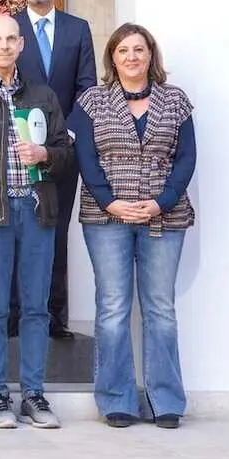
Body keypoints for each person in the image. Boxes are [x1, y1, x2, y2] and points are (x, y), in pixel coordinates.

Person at [69, 23, 195, 430]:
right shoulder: (92, 101)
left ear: (150, 55)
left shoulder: (175, 101)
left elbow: (186, 160)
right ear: (112, 58)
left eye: (139, 50)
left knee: (160, 310)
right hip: (106, 218)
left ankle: (166, 401)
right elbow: (85, 159)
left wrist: (161, 202)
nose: (131, 57)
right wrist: (112, 202)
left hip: (165, 217)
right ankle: (116, 399)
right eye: (123, 51)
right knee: (112, 308)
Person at [0, 14, 72, 430]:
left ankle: (34, 394)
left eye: (11, 39)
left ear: (22, 44)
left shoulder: (43, 95)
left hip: (37, 210)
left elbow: (65, 152)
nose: (4, 46)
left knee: (36, 306)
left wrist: (46, 156)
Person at [14, 0, 97, 340]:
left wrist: (69, 137)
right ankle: (18, 313)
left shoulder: (77, 29)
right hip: (17, 151)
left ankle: (54, 314)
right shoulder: (9, 29)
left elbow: (87, 87)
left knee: (56, 230)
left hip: (63, 152)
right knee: (18, 228)